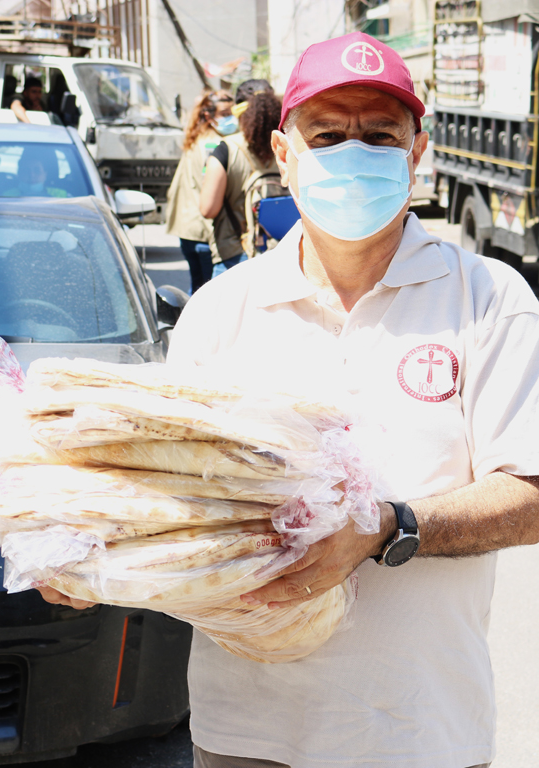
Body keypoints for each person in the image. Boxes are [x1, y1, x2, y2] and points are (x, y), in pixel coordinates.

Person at [41, 30, 539, 768]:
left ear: (417, 151)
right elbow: (169, 495)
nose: (355, 152)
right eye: (330, 134)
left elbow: (529, 494)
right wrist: (89, 554)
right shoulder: (221, 311)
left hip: (425, 733)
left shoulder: (489, 299)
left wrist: (387, 528)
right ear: (284, 151)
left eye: (379, 135)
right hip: (248, 735)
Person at [199, 89, 282, 277]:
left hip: (234, 254)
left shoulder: (226, 149)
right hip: (280, 254)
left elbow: (208, 209)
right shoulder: (286, 150)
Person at [165, 89, 235, 292]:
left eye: (232, 113)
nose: (230, 118)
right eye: (224, 114)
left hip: (188, 228)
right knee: (207, 294)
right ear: (208, 115)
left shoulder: (196, 137)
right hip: (204, 231)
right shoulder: (213, 144)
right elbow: (211, 186)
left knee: (197, 288)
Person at [4, 147, 68, 197]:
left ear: (45, 174)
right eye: (26, 171)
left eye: (37, 171)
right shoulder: (6, 196)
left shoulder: (61, 196)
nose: (31, 175)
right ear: (19, 174)